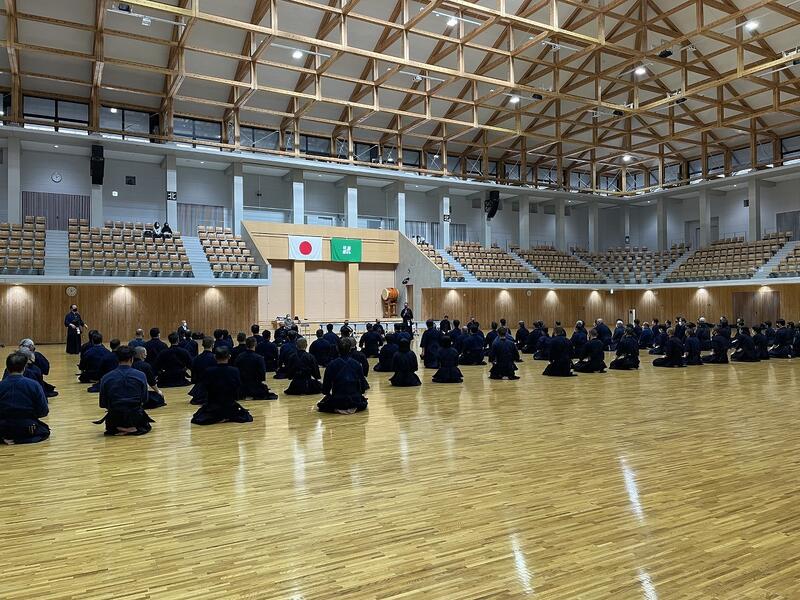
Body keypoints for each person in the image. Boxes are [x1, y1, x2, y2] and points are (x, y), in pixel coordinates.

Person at [94, 346, 154, 436]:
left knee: (114, 419)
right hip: (135, 416)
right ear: (132, 359)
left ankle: (119, 428)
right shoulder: (141, 375)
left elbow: (102, 403)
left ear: (117, 359)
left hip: (115, 417)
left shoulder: (106, 377)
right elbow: (144, 399)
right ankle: (132, 429)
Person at [191, 347, 254, 425]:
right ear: (229, 357)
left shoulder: (208, 371)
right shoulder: (234, 371)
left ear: (215, 357)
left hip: (213, 405)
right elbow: (238, 387)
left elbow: (204, 388)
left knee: (198, 417)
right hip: (229, 404)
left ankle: (218, 417)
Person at [0, 351, 50, 444]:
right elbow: (43, 411)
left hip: (5, 430)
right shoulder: (34, 385)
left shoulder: (1, 385)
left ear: (7, 368)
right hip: (28, 428)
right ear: (24, 368)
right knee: (44, 430)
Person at [317, 338, 369, 414]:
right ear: (350, 348)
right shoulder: (357, 364)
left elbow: (326, 390)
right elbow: (363, 388)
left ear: (337, 349)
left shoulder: (331, 365)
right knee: (363, 401)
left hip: (338, 400)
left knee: (322, 404)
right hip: (354, 400)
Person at [189, 337, 216, 405]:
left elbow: (193, 375)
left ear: (203, 345)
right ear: (213, 345)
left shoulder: (196, 358)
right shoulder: (215, 358)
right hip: (213, 387)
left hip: (199, 387)